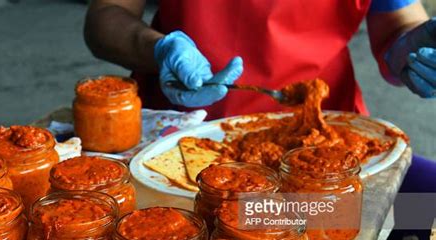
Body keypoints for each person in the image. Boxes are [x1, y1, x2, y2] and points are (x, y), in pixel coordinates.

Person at [83, 0, 436, 193]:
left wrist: (411, 50)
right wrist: (155, 49)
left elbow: (398, 24)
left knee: (418, 210)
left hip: (328, 147)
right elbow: (104, 18)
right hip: (182, 149)